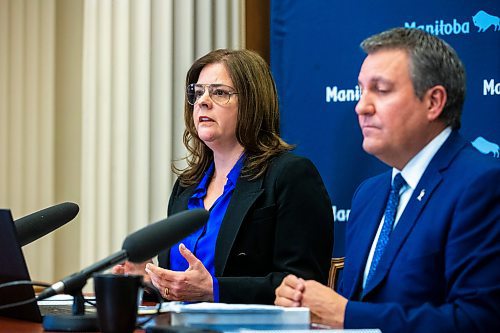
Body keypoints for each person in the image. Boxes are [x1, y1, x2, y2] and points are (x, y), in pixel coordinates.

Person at [275, 27, 500, 332]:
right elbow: (352, 309)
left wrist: (342, 315)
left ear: (433, 102)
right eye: (360, 90)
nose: (361, 106)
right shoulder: (369, 194)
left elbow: (478, 321)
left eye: (380, 90)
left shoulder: (481, 185)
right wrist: (310, 310)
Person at [114, 49, 334, 304]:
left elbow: (303, 285)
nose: (203, 101)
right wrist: (151, 282)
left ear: (253, 102)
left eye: (219, 92)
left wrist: (215, 290)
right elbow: (182, 288)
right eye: (198, 93)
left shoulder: (289, 176)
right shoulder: (186, 187)